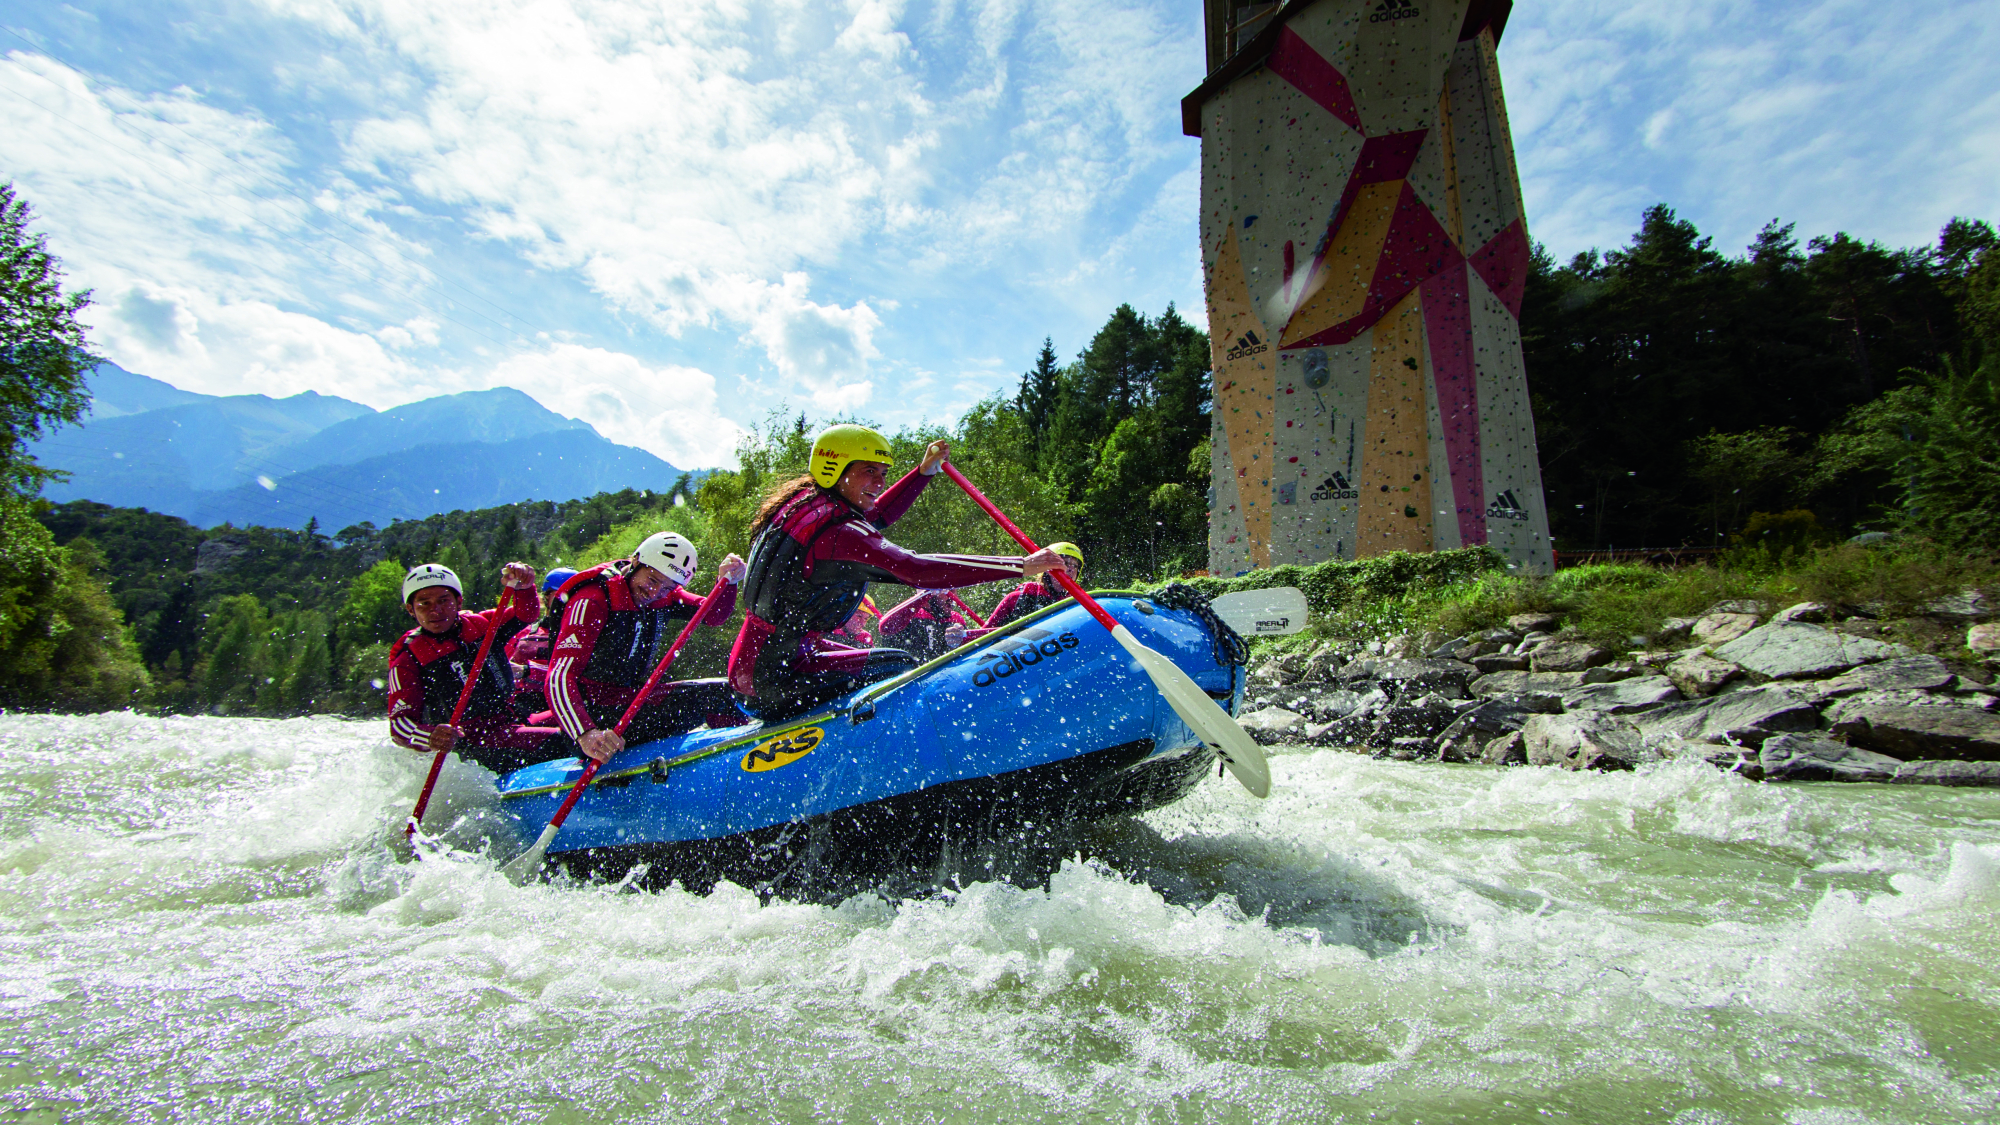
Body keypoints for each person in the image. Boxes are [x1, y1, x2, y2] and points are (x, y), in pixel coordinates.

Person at [728, 423, 1066, 719]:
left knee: (889, 660)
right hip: (771, 679)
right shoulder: (837, 533)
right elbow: (914, 569)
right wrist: (1022, 565)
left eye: (883, 472)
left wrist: (923, 472)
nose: (878, 481)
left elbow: (878, 514)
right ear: (835, 468)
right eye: (869, 471)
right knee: (900, 666)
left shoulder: (811, 502)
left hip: (767, 663)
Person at [546, 532, 748, 763]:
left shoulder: (665, 595)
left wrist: (728, 583)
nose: (654, 592)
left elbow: (714, 615)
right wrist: (585, 734)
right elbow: (559, 677)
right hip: (594, 718)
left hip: (630, 701)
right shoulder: (592, 600)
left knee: (725, 692)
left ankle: (736, 760)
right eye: (652, 580)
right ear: (635, 561)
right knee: (707, 698)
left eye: (666, 587)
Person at [386, 561, 565, 773]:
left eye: (444, 600)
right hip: (471, 744)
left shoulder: (481, 625)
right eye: (424, 603)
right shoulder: (408, 658)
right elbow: (399, 727)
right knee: (566, 739)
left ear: (458, 601)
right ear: (411, 609)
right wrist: (431, 736)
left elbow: (525, 615)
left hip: (512, 719)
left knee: (586, 716)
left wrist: (524, 587)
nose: (436, 610)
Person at [983, 541, 1085, 630]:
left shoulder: (1077, 606)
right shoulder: (1016, 598)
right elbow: (982, 636)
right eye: (1065, 563)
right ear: (1048, 569)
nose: (1071, 569)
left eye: (1075, 566)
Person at [876, 589, 972, 659]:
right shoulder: (909, 616)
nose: (954, 596)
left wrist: (961, 642)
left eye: (955, 590)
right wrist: (925, 594)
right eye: (949, 590)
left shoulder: (956, 619)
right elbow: (885, 628)